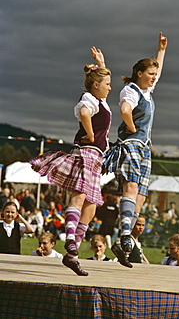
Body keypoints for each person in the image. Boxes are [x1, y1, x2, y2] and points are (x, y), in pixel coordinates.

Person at [30, 49, 112, 276]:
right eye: (107, 83)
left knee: (92, 204)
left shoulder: (100, 100)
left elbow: (98, 96)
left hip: (95, 157)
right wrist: (90, 134)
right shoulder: (89, 99)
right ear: (96, 85)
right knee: (80, 195)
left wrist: (101, 63)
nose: (110, 87)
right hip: (87, 152)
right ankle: (71, 240)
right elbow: (85, 113)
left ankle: (71, 254)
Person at [102, 32, 168, 267]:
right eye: (149, 74)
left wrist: (161, 49)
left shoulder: (147, 90)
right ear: (139, 74)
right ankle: (126, 238)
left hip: (144, 147)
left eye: (154, 74)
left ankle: (124, 239)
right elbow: (125, 110)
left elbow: (157, 72)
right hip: (131, 145)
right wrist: (131, 128)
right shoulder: (131, 90)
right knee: (130, 188)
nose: (153, 78)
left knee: (140, 197)